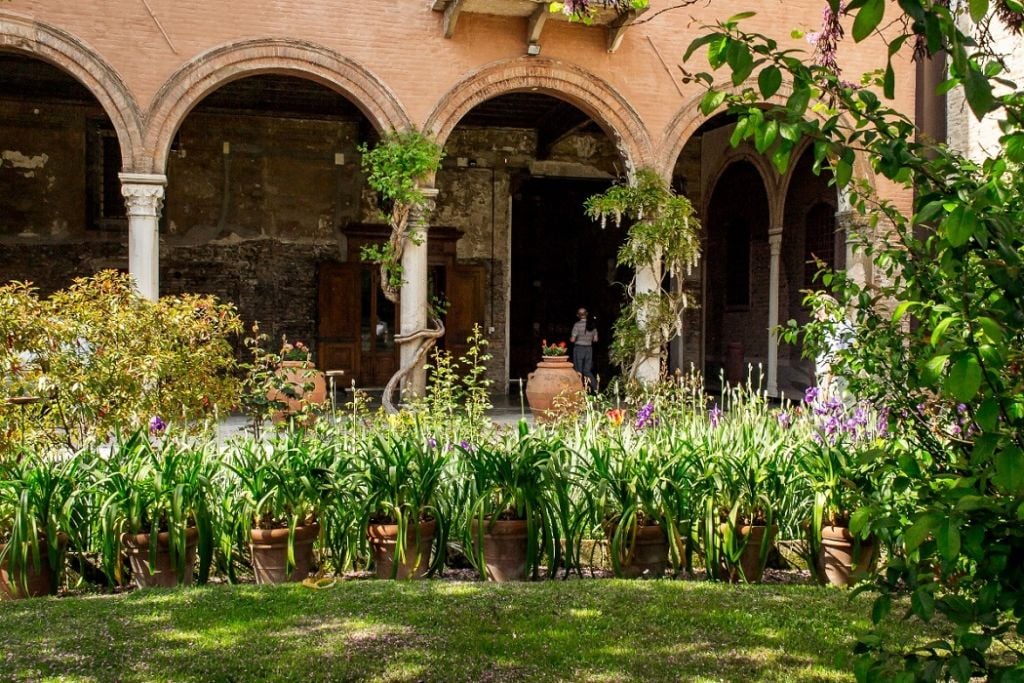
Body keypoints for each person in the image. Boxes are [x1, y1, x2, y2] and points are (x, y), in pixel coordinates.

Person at [570, 307, 598, 391]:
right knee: (587, 370)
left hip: (579, 349)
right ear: (586, 314)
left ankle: (579, 391)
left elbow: (573, 339)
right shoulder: (593, 325)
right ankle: (596, 388)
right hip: (589, 349)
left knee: (578, 371)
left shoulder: (577, 325)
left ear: (578, 315)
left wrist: (572, 338)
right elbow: (595, 340)